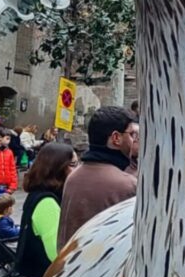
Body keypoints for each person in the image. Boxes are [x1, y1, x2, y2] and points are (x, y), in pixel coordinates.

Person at [5, 143, 78, 277]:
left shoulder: (39, 195)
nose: (78, 169)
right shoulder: (47, 203)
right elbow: (56, 252)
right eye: (73, 164)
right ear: (58, 168)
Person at [57, 106, 139, 249]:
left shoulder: (73, 176)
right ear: (116, 138)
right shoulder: (127, 184)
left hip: (71, 261)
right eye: (132, 134)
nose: (134, 141)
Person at [0, 128, 19, 194]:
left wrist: (13, 186)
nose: (9, 141)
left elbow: (13, 170)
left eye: (9, 139)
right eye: (7, 139)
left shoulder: (9, 152)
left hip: (6, 187)